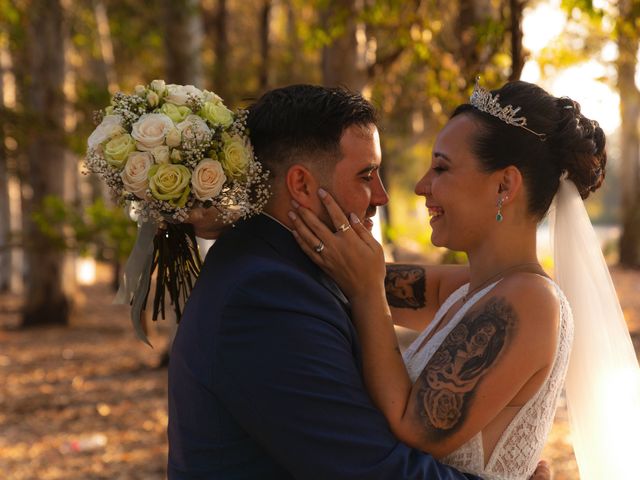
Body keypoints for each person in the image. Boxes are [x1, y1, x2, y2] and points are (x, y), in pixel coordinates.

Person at [290, 79, 640, 479]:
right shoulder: (466, 290)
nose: (422, 187)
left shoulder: (531, 302)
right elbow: (349, 270)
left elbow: (415, 427)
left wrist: (368, 291)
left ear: (504, 185)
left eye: (441, 168)